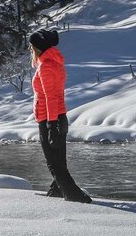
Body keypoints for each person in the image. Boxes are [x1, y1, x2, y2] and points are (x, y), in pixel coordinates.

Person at [30, 28, 92, 203]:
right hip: (60, 117)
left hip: (49, 119)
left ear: (38, 48)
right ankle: (56, 191)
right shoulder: (56, 64)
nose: (30, 51)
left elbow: (50, 97)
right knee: (59, 161)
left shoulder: (45, 67)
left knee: (54, 164)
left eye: (32, 47)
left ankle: (75, 197)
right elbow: (57, 95)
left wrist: (51, 125)